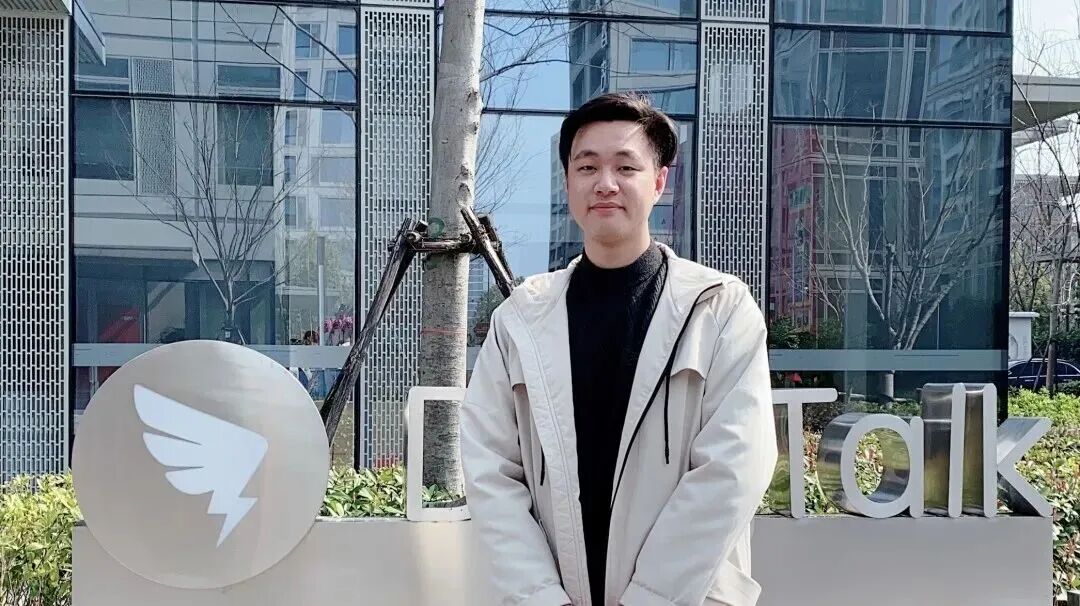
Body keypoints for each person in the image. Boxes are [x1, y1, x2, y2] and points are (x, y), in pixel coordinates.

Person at [459, 92, 778, 606]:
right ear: (568, 182)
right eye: (587, 167)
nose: (605, 183)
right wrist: (541, 596)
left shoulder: (718, 309)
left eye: (626, 167)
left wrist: (649, 597)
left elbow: (734, 468)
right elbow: (490, 469)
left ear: (659, 182)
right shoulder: (520, 320)